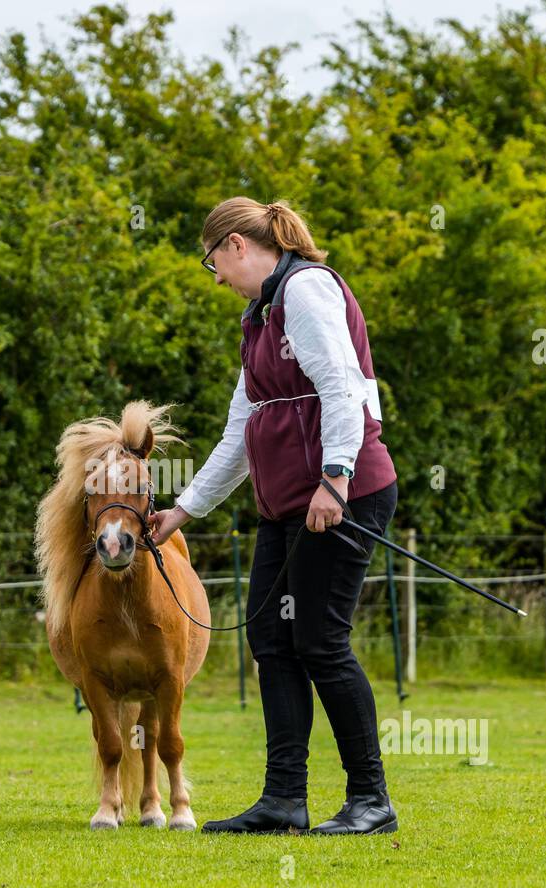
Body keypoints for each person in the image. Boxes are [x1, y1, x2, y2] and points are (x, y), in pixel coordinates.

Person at [149, 198, 399, 835]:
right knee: (272, 641)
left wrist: (336, 479)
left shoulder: (306, 290)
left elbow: (341, 386)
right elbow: (242, 430)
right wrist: (182, 510)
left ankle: (371, 799)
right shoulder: (259, 317)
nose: (217, 279)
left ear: (235, 244)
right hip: (286, 503)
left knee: (320, 641)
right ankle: (284, 800)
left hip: (340, 494)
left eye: (213, 265)